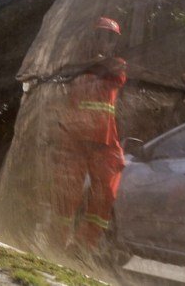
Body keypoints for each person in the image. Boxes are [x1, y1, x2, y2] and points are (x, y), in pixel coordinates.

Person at [48, 16, 127, 250]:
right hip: (73, 139)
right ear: (91, 38)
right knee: (66, 193)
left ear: (114, 42)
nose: (104, 41)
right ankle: (56, 244)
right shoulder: (75, 65)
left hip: (104, 140)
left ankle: (83, 247)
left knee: (105, 193)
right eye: (100, 36)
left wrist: (84, 65)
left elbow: (109, 69)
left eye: (109, 38)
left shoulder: (116, 65)